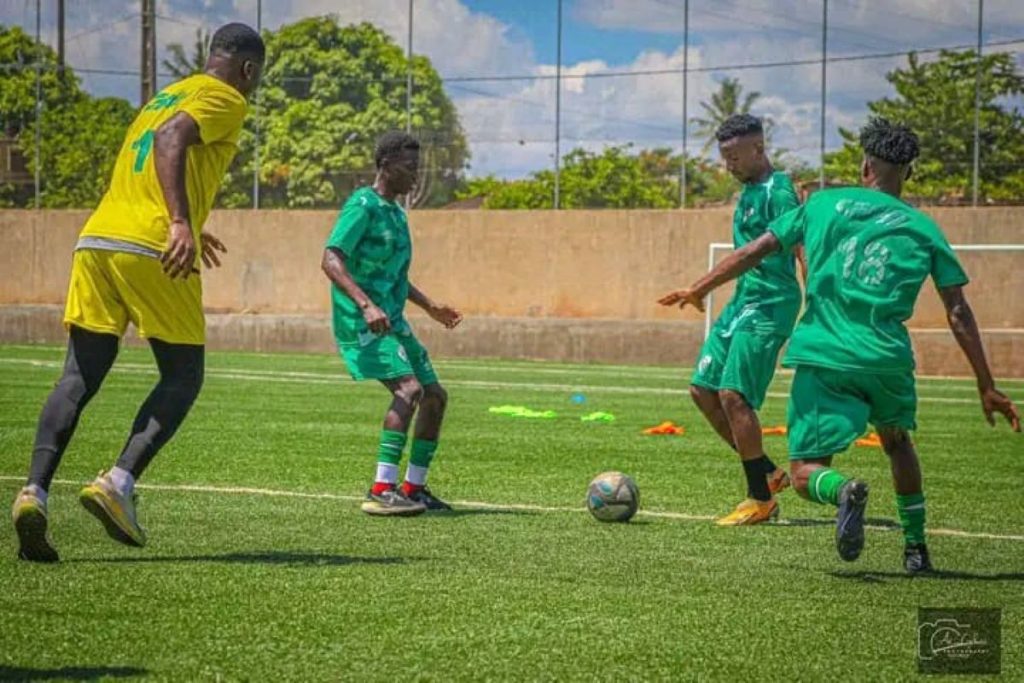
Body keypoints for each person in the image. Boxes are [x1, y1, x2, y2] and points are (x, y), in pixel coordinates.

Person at [659, 117, 1020, 572]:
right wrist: (986, 384)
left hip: (824, 353)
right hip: (888, 357)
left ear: (864, 164)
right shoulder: (925, 229)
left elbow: (755, 251)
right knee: (897, 443)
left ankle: (842, 489)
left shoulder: (821, 204)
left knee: (805, 472)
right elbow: (959, 311)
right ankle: (916, 549)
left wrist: (700, 288)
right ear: (908, 172)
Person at [11, 23, 266, 562]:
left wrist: (191, 219)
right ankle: (118, 482)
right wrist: (179, 222)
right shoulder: (226, 98)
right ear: (247, 69)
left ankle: (32, 492)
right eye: (257, 75)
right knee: (183, 374)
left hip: (98, 238)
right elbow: (174, 140)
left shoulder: (164, 96)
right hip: (151, 245)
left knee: (78, 376)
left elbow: (154, 153)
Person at [658, 114, 800, 526]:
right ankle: (768, 473)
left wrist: (699, 287)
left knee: (733, 395)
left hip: (771, 304)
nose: (728, 165)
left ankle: (760, 500)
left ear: (758, 149)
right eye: (725, 157)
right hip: (743, 301)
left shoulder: (780, 192)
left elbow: (770, 251)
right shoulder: (749, 191)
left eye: (735, 157)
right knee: (702, 390)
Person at [321, 131, 463, 517]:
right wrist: (366, 305)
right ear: (386, 165)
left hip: (393, 320)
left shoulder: (397, 214)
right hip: (363, 321)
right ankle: (382, 488)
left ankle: (414, 488)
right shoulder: (362, 206)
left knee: (434, 396)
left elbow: (395, 276)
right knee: (409, 389)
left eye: (418, 167)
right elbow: (331, 259)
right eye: (410, 167)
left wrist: (430, 307)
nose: (416, 175)